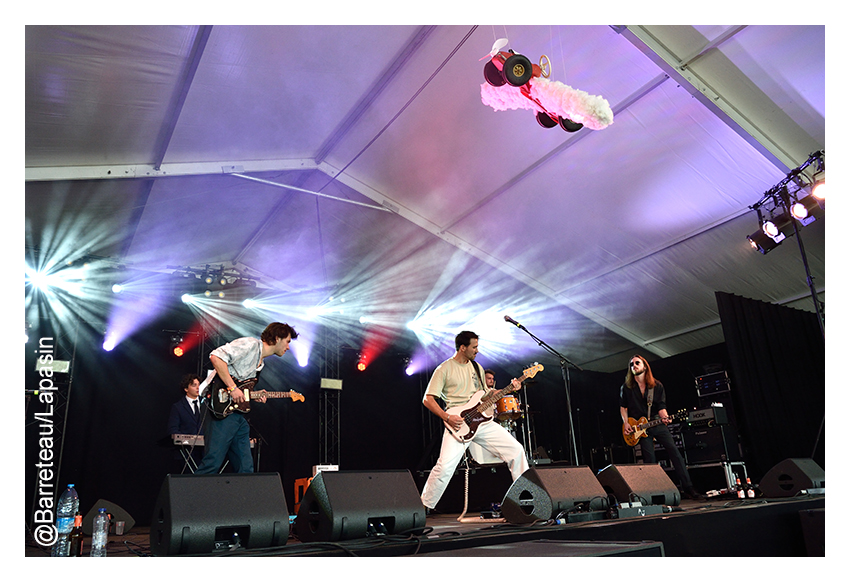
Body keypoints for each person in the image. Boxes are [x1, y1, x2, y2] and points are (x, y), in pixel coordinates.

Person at [420, 331, 529, 511]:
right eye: (474, 347)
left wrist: (511, 388)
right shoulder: (444, 369)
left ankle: (525, 498)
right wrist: (447, 416)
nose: (477, 350)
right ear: (463, 348)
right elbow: (428, 399)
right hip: (458, 422)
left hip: (482, 422)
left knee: (516, 451)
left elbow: (486, 394)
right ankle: (422, 507)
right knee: (445, 467)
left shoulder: (477, 367)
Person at [194, 322, 299, 475]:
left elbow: (241, 386)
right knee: (212, 463)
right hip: (219, 406)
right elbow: (216, 357)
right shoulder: (250, 344)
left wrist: (253, 395)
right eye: (288, 341)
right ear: (277, 338)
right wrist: (232, 388)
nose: (288, 347)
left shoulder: (260, 363)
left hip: (236, 414)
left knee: (246, 468)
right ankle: (189, 497)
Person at [619, 354, 704, 500]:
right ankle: (654, 491)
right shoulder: (626, 387)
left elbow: (661, 407)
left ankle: (688, 487)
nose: (634, 366)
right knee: (649, 460)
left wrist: (665, 416)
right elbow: (623, 407)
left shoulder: (656, 385)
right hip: (639, 428)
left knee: (675, 453)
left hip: (656, 423)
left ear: (645, 366)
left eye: (637, 363)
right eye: (631, 364)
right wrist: (626, 423)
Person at [168, 373, 205, 472]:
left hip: (205, 451)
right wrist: (186, 442)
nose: (198, 388)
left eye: (199, 385)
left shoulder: (206, 404)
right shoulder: (178, 407)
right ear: (186, 389)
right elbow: (173, 429)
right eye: (194, 385)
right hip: (186, 452)